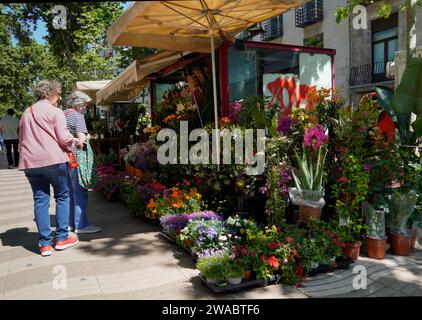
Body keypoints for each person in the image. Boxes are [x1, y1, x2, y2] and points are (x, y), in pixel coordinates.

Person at [19, 80, 80, 256]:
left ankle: (44, 244)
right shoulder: (55, 112)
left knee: (40, 200)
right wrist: (76, 141)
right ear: (52, 94)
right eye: (58, 95)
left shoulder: (26, 113)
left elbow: (21, 139)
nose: (59, 99)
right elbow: (63, 137)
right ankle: (61, 238)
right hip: (53, 160)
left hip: (30, 162)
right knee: (62, 195)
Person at [63, 91, 101, 234]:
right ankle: (81, 225)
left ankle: (70, 223)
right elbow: (81, 139)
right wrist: (87, 137)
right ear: (78, 103)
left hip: (63, 156)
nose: (86, 107)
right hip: (76, 157)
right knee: (80, 191)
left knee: (69, 192)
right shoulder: (77, 116)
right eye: (85, 104)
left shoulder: (62, 114)